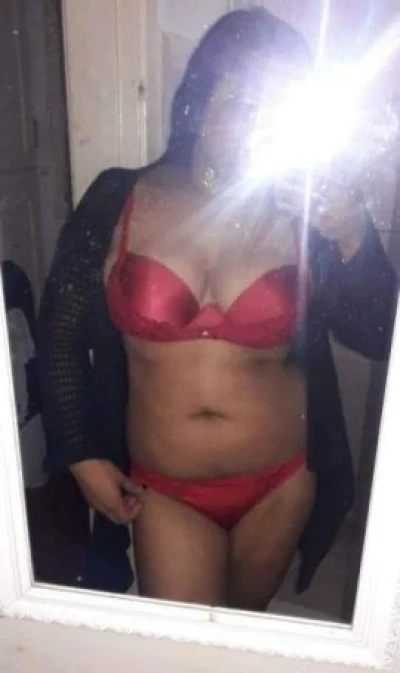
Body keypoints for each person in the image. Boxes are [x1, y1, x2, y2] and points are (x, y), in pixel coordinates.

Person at [37, 7, 397, 610]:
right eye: (243, 102)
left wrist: (353, 235)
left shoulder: (311, 215)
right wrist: (79, 451)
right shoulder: (119, 197)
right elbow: (60, 333)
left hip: (282, 481)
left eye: (275, 108)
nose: (257, 125)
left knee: (240, 634)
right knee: (185, 652)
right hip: (164, 489)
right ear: (200, 103)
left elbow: (378, 331)